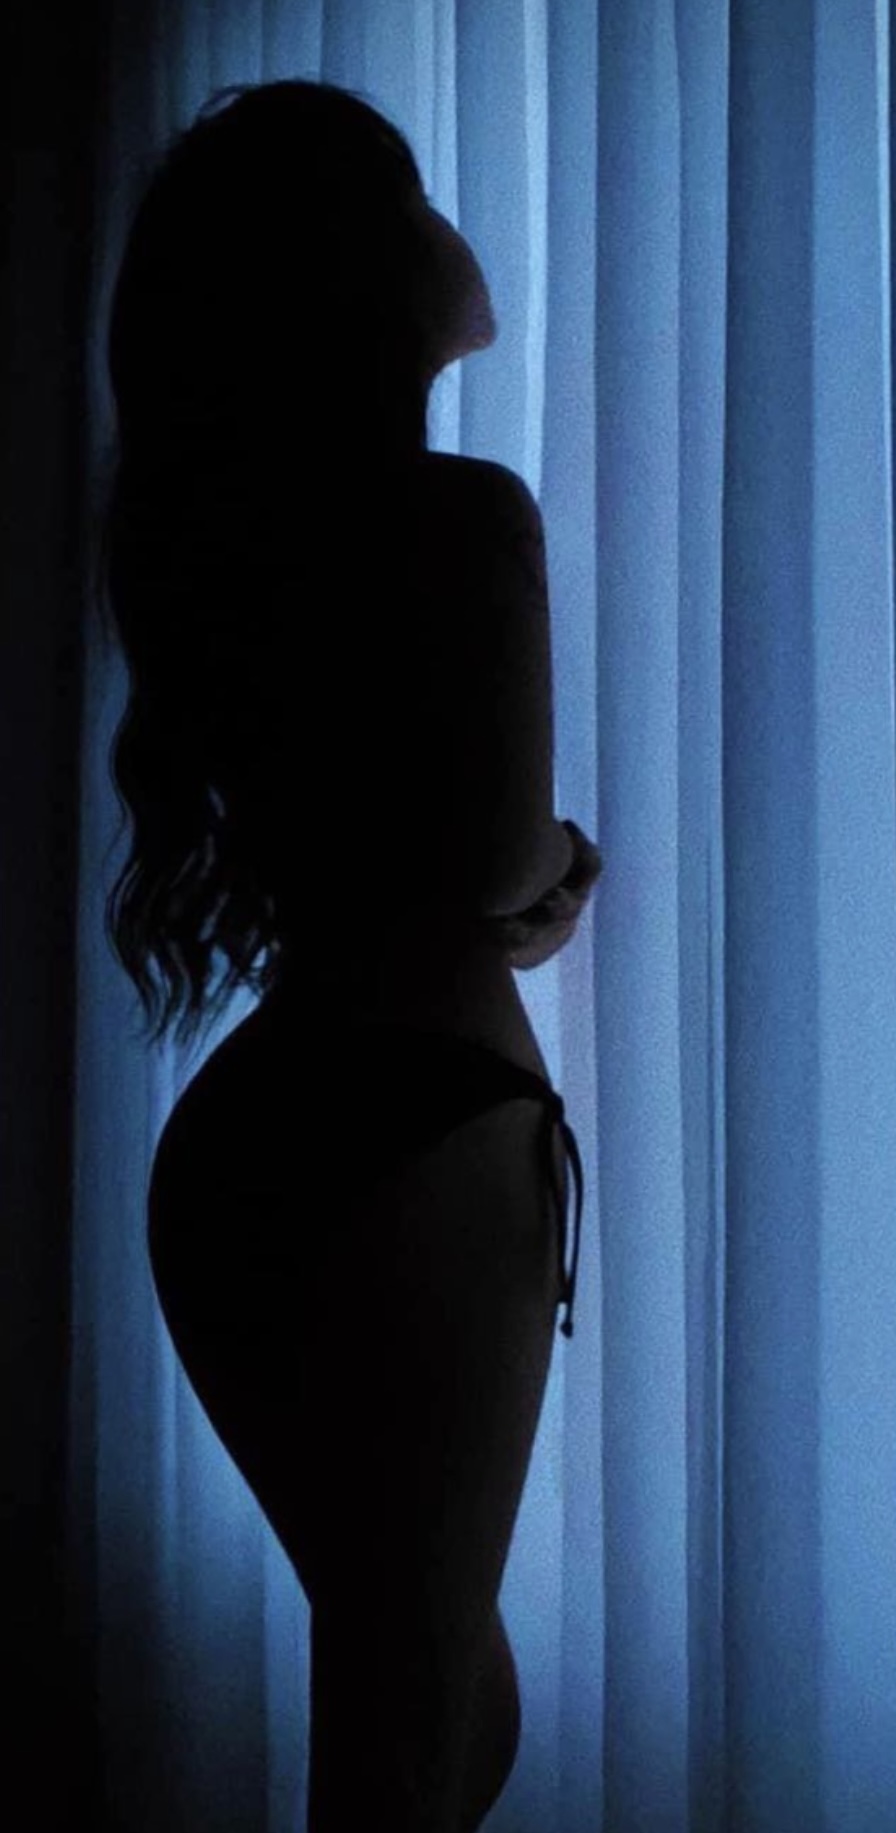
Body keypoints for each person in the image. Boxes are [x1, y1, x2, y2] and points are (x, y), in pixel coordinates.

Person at [98, 77, 602, 1831]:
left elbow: (393, 852)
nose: (442, 218)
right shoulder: (463, 524)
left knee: (416, 1708)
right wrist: (560, 869)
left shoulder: (246, 556)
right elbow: (489, 860)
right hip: (419, 1141)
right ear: (359, 269)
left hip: (258, 1152)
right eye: (400, 188)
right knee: (417, 1731)